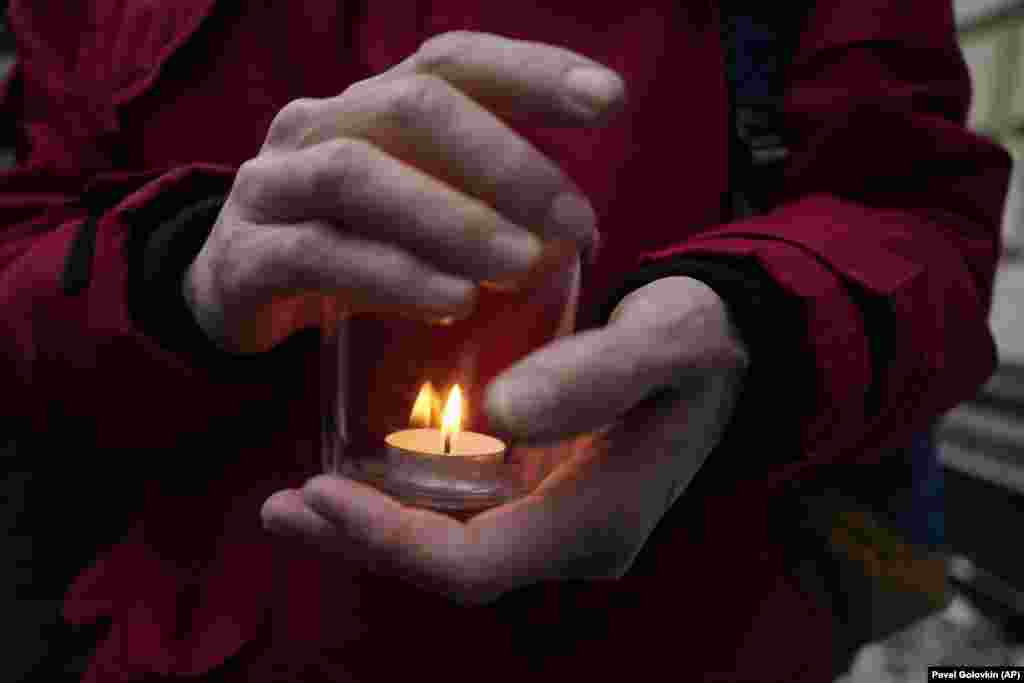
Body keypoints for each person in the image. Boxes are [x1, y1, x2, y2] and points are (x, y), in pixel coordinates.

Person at [0, 1, 1010, 681]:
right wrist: (177, 274)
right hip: (180, 646)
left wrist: (749, 320)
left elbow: (913, 208)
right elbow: (22, 236)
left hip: (672, 638)